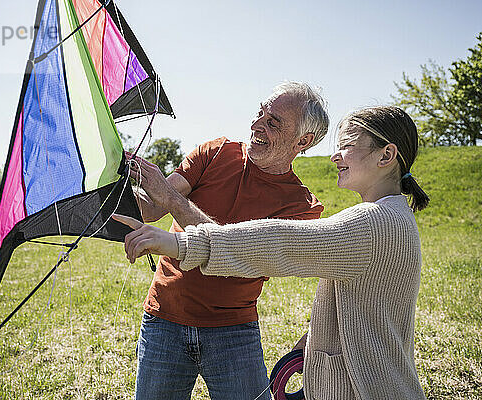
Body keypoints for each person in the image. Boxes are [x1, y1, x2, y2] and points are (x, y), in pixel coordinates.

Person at [114, 106, 430, 399]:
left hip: (368, 388)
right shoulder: (395, 218)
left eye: (347, 144)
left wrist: (177, 243)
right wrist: (314, 340)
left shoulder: (370, 223)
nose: (335, 155)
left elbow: (276, 243)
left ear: (386, 155)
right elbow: (371, 304)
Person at [127, 82, 330, 400]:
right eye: (261, 112)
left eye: (273, 122)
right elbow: (152, 207)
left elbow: (238, 254)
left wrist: (166, 195)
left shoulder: (302, 208)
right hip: (163, 318)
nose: (256, 125)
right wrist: (113, 174)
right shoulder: (215, 152)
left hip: (232, 331)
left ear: (303, 141)